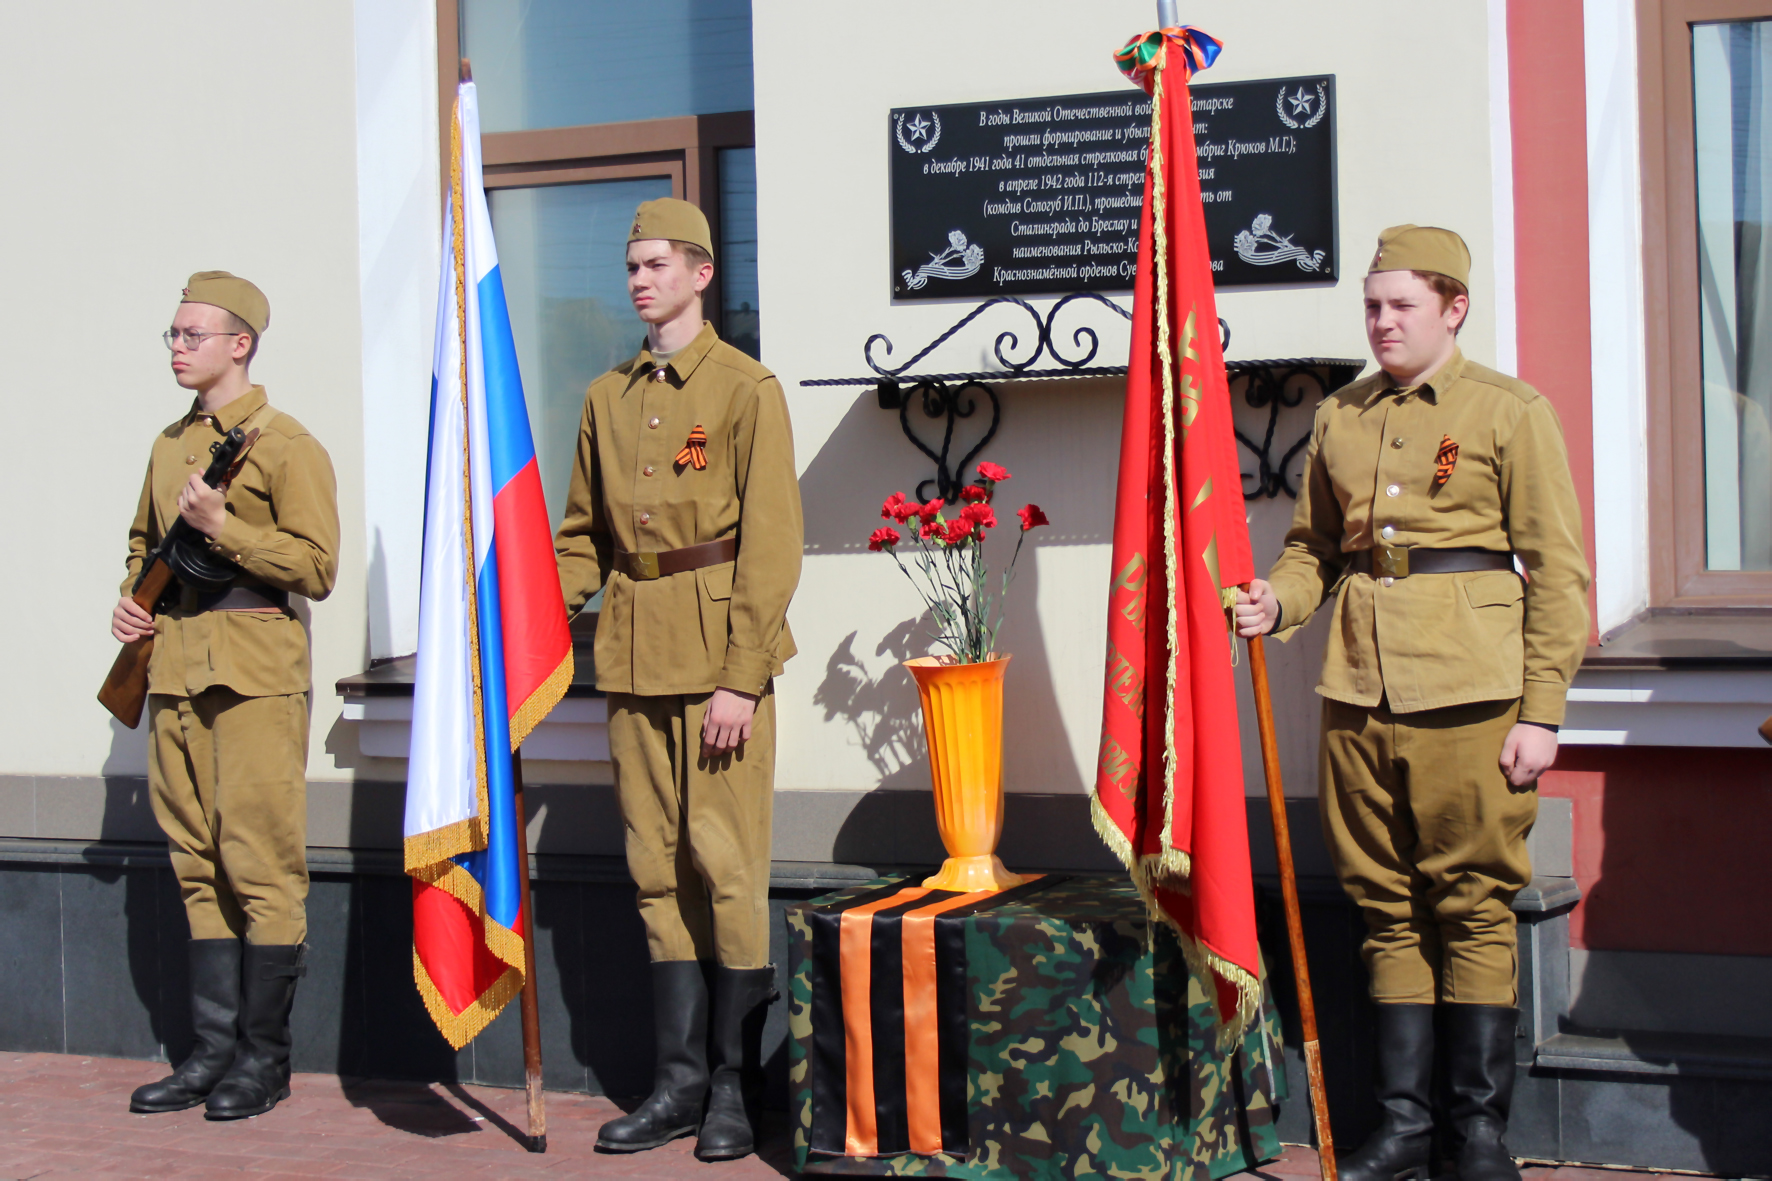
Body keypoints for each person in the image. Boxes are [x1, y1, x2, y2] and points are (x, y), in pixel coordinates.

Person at [1234, 227, 1589, 1181]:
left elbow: (1558, 573)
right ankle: (1402, 1129)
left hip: (1473, 694)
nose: (1382, 322)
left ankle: (1475, 1134)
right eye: (1372, 305)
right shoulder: (1341, 416)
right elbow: (1314, 547)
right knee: (1383, 905)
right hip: (1355, 690)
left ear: (1453, 309)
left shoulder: (1509, 412)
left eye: (1402, 306)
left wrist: (1541, 712)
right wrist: (1280, 601)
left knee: (1470, 904)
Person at [554, 198, 802, 1161]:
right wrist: (536, 611)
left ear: (703, 273)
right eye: (630, 266)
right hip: (631, 656)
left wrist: (742, 677)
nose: (639, 280)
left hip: (716, 668)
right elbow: (582, 535)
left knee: (727, 870)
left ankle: (737, 1088)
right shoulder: (605, 397)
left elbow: (771, 549)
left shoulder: (745, 388)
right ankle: (677, 1083)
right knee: (656, 873)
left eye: (657, 264)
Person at [115, 272, 339, 1121]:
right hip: (172, 663)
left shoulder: (286, 445)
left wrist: (224, 528)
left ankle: (264, 1059)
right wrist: (132, 596)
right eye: (172, 335)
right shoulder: (170, 442)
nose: (177, 347)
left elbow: (315, 566)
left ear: (239, 343)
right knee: (196, 861)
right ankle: (210, 1052)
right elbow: (142, 539)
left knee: (260, 863)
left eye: (193, 335)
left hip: (253, 671)